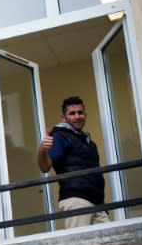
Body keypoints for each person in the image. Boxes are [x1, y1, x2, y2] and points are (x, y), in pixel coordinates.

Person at [38, 96, 109, 228]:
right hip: (77, 200)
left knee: (110, 243)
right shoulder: (60, 136)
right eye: (72, 113)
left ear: (85, 115)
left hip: (98, 202)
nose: (77, 116)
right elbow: (45, 167)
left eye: (80, 112)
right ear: (64, 118)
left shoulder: (89, 142)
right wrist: (42, 150)